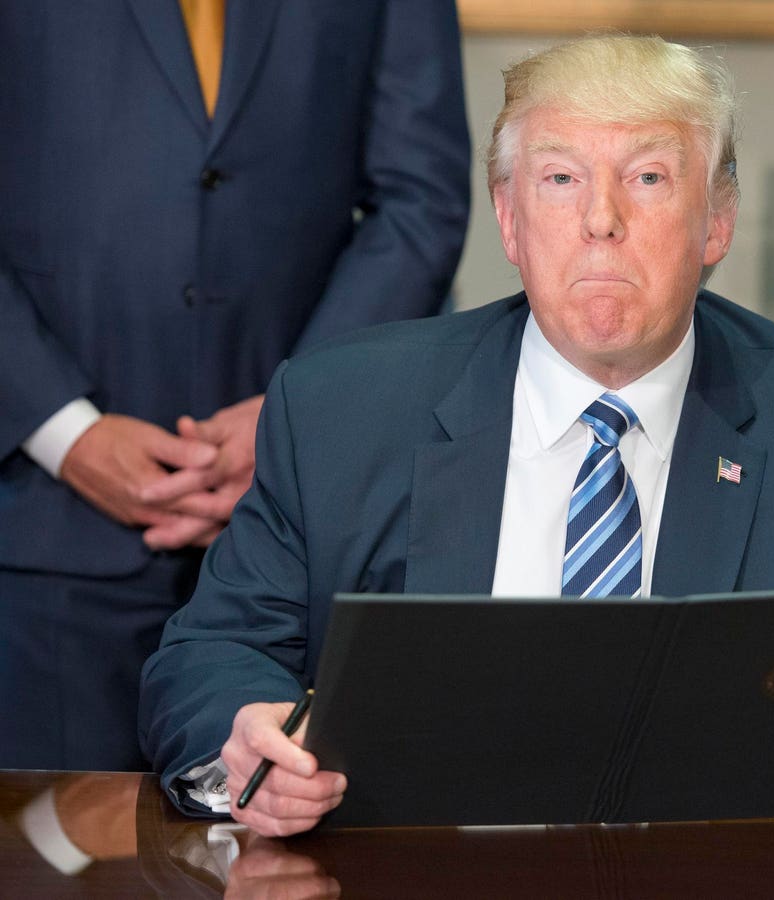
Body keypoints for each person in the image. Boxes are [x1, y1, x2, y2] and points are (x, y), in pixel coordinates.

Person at [140, 34, 774, 837]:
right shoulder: (341, 409)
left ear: (717, 221)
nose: (601, 220)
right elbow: (210, 657)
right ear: (509, 218)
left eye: (649, 178)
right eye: (560, 179)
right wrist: (247, 747)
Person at [0, 1, 470, 771]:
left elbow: (420, 200)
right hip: (42, 529)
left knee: (288, 829)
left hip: (298, 549)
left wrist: (299, 415)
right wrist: (63, 430)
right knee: (49, 842)